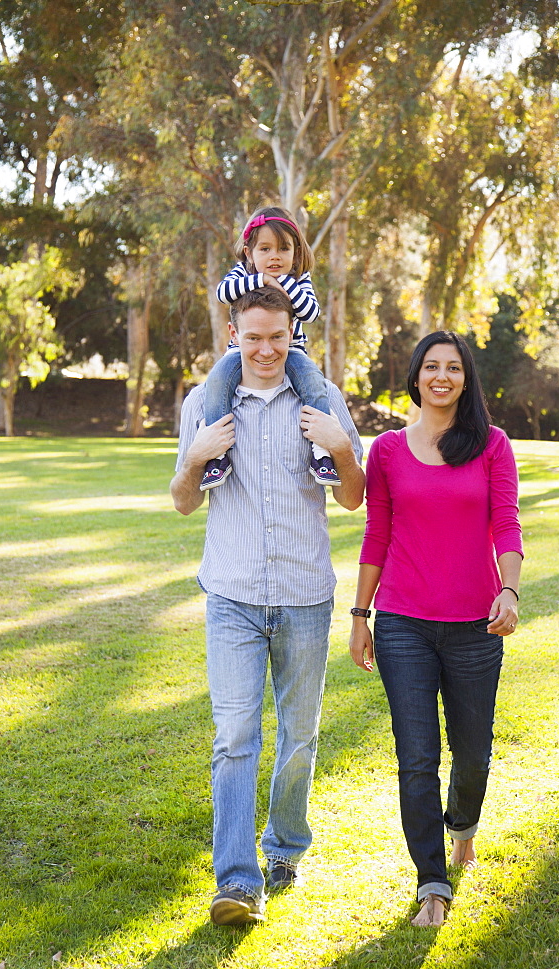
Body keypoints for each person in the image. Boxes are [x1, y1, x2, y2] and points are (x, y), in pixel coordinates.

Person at [171, 285, 365, 927]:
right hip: (232, 595)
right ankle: (236, 880)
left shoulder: (323, 400)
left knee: (300, 735)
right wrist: (196, 457)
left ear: (292, 334)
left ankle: (284, 847)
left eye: (276, 337)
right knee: (234, 738)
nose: (264, 349)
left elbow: (352, 498)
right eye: (252, 337)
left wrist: (340, 444)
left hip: (306, 593)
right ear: (234, 336)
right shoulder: (206, 403)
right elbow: (181, 499)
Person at [349, 330, 523, 928]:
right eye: (431, 367)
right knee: (417, 756)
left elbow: (506, 523)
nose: (441, 377)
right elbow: (377, 535)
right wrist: (359, 616)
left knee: (471, 754)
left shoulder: (492, 445)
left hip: (477, 624)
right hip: (403, 624)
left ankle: (464, 828)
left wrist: (509, 589)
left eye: (453, 368)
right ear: (416, 376)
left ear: (466, 378)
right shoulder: (389, 451)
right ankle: (432, 882)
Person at [201, 205, 340, 490]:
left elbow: (310, 312)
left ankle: (322, 455)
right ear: (250, 253)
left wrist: (284, 283)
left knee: (314, 384)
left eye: (283, 249)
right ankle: (217, 458)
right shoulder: (242, 271)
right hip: (240, 351)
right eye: (264, 249)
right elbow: (222, 293)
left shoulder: (300, 278)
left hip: (292, 350)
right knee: (217, 382)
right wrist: (262, 280)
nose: (274, 256)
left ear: (296, 253)